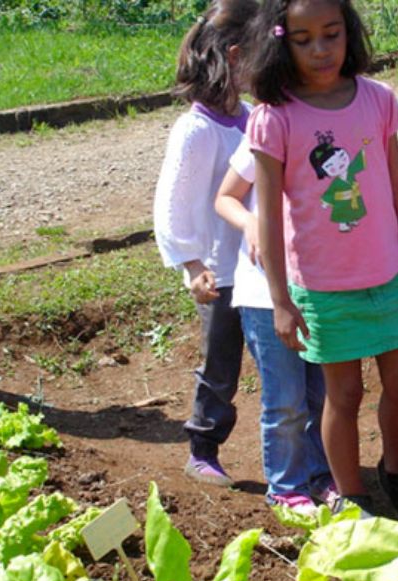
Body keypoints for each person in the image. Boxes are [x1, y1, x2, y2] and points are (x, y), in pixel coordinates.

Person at [244, 0, 398, 519]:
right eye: (303, 40)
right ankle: (354, 497)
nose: (320, 50)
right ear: (281, 41)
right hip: (323, 287)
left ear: (349, 33)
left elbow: (397, 186)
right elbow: (268, 220)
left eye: (331, 34)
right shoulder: (275, 118)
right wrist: (279, 299)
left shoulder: (378, 100)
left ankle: (395, 469)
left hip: (387, 274)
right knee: (342, 394)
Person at [153, 0, 257, 488]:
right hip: (220, 272)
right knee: (221, 365)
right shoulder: (196, 132)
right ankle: (202, 446)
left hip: (260, 269)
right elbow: (173, 206)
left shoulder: (254, 116)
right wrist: (192, 265)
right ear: (236, 57)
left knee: (287, 362)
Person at [215, 137, 337, 514]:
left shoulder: (327, 127)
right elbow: (225, 197)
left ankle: (319, 475)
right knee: (286, 400)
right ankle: (285, 487)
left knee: (321, 393)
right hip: (264, 293)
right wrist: (250, 222)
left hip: (320, 288)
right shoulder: (267, 128)